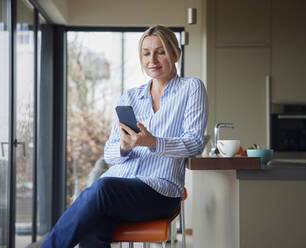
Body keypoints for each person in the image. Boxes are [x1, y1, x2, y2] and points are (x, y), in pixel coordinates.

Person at [41, 25, 208, 248]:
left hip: (160, 190)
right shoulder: (131, 96)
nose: (153, 60)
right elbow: (110, 153)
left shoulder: (192, 88)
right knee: (93, 227)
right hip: (120, 185)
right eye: (146, 53)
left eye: (161, 52)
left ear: (176, 54)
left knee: (100, 190)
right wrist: (124, 146)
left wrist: (153, 142)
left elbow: (195, 143)